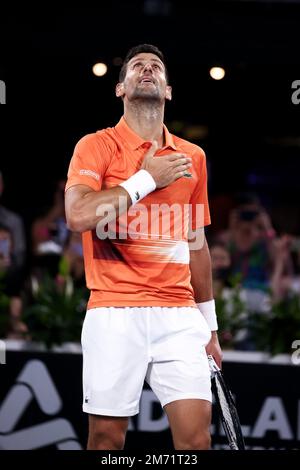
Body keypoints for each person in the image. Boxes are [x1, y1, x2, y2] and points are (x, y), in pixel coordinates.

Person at [65, 44, 222, 450]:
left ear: (168, 90)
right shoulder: (95, 147)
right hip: (114, 311)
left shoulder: (193, 156)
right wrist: (146, 180)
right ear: (120, 88)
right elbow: (78, 214)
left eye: (156, 67)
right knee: (105, 440)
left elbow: (197, 243)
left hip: (179, 316)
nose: (148, 70)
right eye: (137, 66)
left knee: (195, 441)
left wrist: (211, 327)